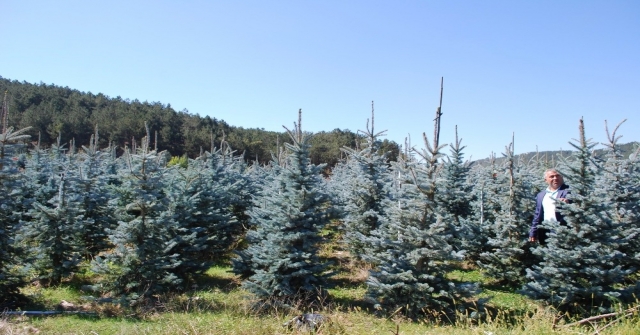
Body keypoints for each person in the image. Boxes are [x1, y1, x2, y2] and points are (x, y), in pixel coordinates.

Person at [529, 168, 570, 244]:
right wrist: (533, 232)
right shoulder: (541, 195)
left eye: (558, 176)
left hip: (563, 231)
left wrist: (569, 204)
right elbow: (537, 215)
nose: (555, 178)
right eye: (552, 176)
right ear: (546, 180)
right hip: (546, 231)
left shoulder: (568, 191)